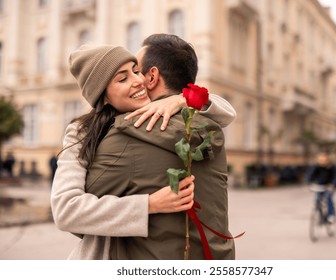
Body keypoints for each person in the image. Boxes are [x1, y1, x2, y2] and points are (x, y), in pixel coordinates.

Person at [50, 43, 236, 259]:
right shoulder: (81, 133)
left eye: (136, 71)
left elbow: (228, 114)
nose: (139, 80)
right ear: (104, 96)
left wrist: (181, 99)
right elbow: (65, 211)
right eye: (122, 78)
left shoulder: (164, 115)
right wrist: (148, 204)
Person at [305, 151, 336, 223]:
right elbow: (309, 175)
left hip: (330, 186)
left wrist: (333, 184)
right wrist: (308, 182)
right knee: (317, 200)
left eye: (324, 160)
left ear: (328, 159)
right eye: (321, 160)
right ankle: (321, 217)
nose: (322, 161)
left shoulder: (332, 167)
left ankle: (331, 216)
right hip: (320, 185)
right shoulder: (316, 166)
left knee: (328, 198)